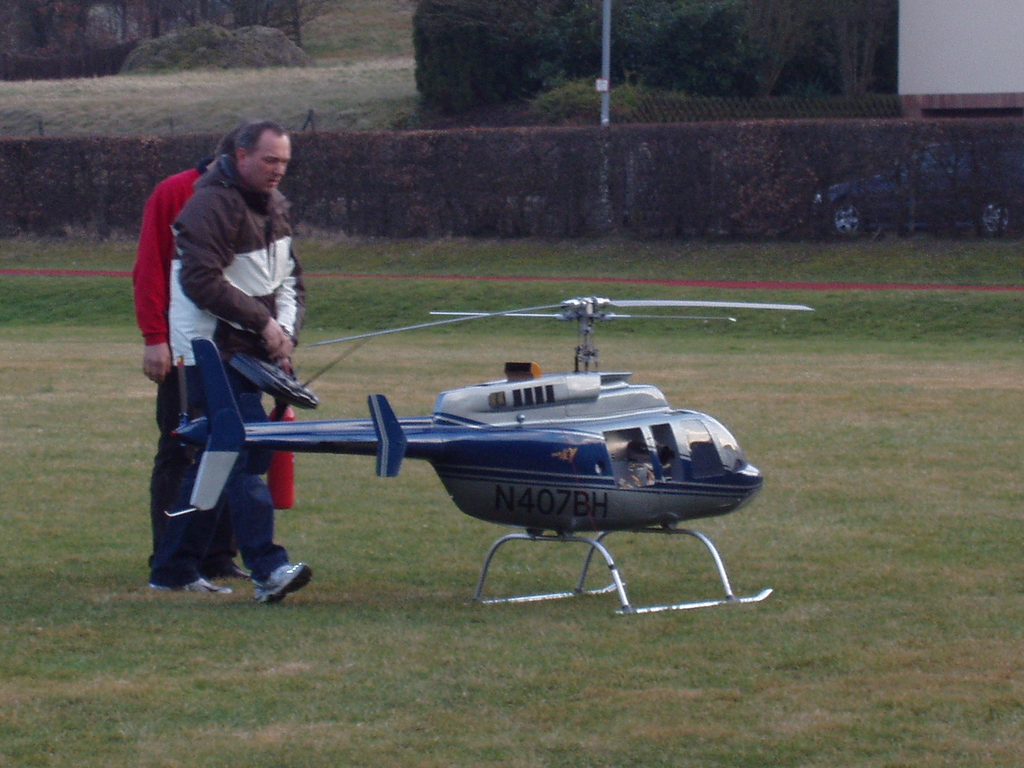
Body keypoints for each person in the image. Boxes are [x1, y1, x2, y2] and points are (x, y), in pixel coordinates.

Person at [149, 120, 312, 603]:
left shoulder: (274, 205)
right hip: (208, 354)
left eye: (284, 162)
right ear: (241, 156)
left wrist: (284, 335)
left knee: (222, 460)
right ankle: (269, 567)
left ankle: (173, 568)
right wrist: (264, 325)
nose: (278, 170)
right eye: (269, 160)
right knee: (239, 452)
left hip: (249, 355)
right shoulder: (209, 205)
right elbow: (200, 281)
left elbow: (289, 280)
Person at [133, 142, 246, 581]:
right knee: (181, 448)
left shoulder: (255, 198)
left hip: (239, 347)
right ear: (235, 156)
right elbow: (150, 265)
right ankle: (171, 555)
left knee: (235, 445)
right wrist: (155, 337)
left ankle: (218, 555)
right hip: (185, 347)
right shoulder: (174, 192)